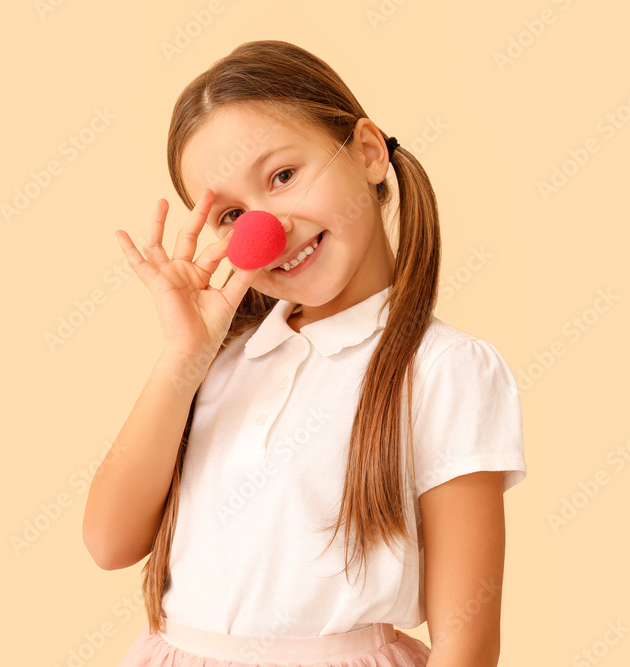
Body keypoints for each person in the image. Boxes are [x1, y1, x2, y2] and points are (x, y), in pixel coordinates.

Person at [83, 39, 527, 667]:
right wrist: (183, 356)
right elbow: (108, 541)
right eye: (232, 214)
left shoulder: (444, 370)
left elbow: (468, 644)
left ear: (369, 154)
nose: (267, 229)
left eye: (283, 176)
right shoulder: (218, 362)